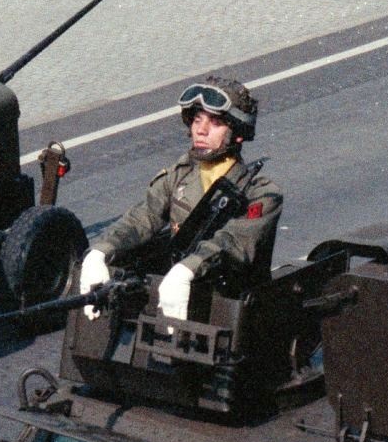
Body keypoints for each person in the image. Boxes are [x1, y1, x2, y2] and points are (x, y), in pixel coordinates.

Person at [78, 76, 283, 321]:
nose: (201, 130)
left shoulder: (260, 193)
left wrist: (187, 269)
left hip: (231, 307)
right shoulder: (180, 174)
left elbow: (232, 243)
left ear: (237, 133)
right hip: (177, 294)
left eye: (215, 123)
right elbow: (144, 217)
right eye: (197, 120)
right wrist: (100, 251)